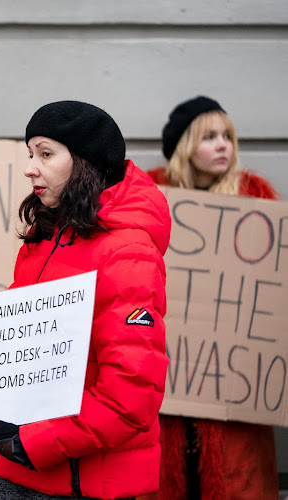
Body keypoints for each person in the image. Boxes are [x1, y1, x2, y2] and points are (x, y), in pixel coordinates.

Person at [0, 101, 171, 499]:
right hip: (15, 473)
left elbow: (130, 398)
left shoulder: (128, 255)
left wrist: (34, 442)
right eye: (30, 154)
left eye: (46, 154)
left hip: (76, 484)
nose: (30, 167)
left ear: (85, 162)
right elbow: (10, 364)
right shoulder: (43, 240)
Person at [142, 96, 279, 500]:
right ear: (184, 146)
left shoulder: (258, 203)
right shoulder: (150, 201)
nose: (223, 145)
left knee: (236, 479)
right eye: (209, 137)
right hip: (167, 378)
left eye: (228, 136)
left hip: (234, 385)